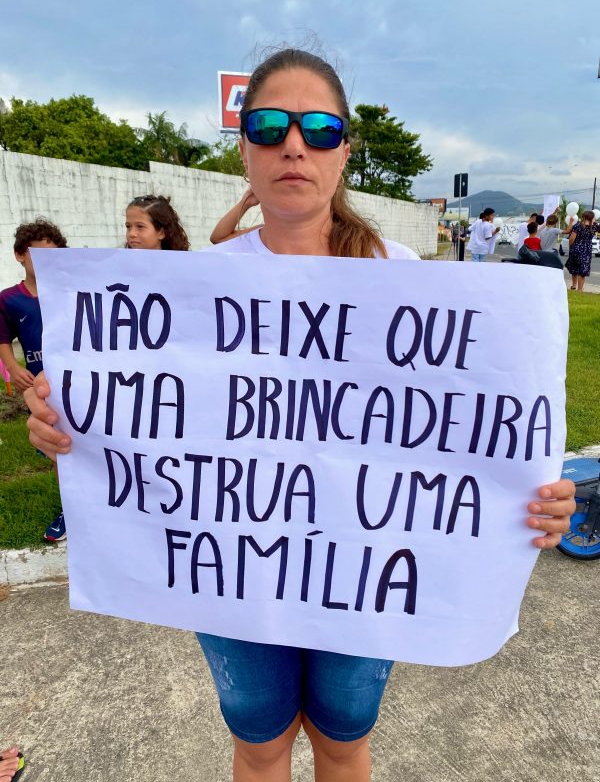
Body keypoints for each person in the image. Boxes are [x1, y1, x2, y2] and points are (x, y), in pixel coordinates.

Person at [24, 48, 575, 782]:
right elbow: (136, 414)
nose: (294, 143)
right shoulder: (193, 289)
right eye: (269, 124)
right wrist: (65, 420)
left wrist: (535, 497)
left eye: (319, 127)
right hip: (232, 568)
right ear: (244, 147)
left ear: (345, 149)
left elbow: (469, 432)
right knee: (258, 741)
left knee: (344, 737)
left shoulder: (408, 284)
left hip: (364, 565)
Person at [0, 218, 67, 541]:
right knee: (58, 449)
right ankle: (69, 507)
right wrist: (13, 368)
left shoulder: (72, 292)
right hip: (43, 389)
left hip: (77, 383)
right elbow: (3, 338)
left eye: (52, 256)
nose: (45, 263)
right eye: (36, 255)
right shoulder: (9, 299)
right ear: (19, 256)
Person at [125, 194, 190, 250]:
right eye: (128, 226)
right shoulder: (120, 262)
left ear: (161, 233)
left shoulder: (179, 262)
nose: (131, 234)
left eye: (140, 226)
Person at [565, 210, 600, 292]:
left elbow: (572, 238)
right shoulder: (594, 226)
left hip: (575, 248)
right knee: (582, 271)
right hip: (586, 250)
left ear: (584, 217)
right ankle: (580, 290)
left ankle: (573, 286)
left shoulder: (578, 226)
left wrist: (570, 246)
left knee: (574, 269)